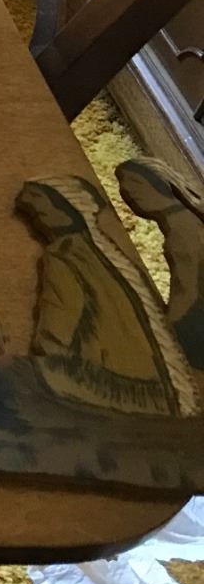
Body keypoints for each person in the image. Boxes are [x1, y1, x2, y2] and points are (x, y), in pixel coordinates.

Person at [17, 175, 196, 417]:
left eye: (41, 205)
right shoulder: (105, 251)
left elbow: (57, 330)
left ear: (65, 209)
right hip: (160, 388)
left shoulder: (67, 253)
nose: (39, 216)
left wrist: (45, 367)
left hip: (116, 386)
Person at [117, 156, 204, 368]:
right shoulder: (181, 221)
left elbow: (188, 289)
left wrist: (167, 333)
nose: (127, 192)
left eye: (134, 183)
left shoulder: (182, 228)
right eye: (123, 185)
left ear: (159, 183)